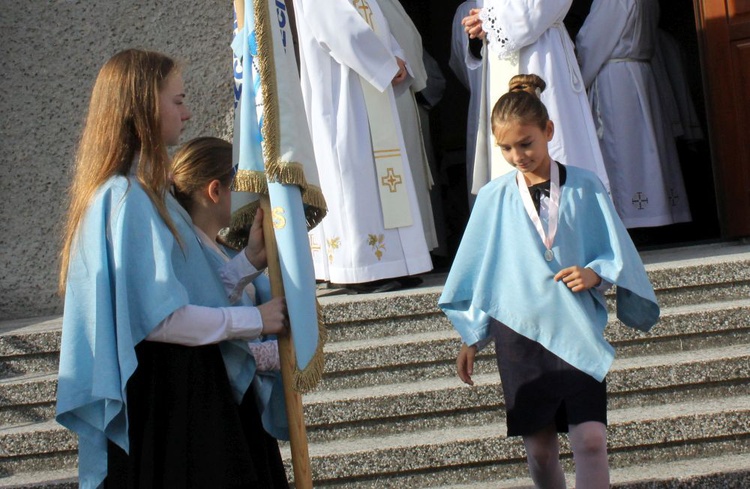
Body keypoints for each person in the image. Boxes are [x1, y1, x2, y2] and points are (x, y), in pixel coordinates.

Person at [56, 49, 289, 488]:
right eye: (177, 100)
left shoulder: (147, 193)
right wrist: (252, 319)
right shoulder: (124, 198)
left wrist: (246, 264)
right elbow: (160, 318)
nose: (187, 112)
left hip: (184, 386)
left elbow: (184, 290)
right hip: (168, 396)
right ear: (143, 105)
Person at [439, 74, 659, 488]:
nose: (518, 155)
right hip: (519, 334)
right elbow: (480, 269)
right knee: (539, 450)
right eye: (505, 148)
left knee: (591, 439)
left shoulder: (585, 185)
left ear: (548, 132)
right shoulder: (493, 197)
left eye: (526, 143)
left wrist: (594, 272)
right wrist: (472, 335)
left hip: (575, 325)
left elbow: (614, 249)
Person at [294, 0, 433, 293]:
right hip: (344, 99)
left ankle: (394, 262)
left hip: (373, 90)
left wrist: (397, 58)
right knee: (354, 176)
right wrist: (384, 63)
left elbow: (380, 24)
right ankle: (360, 266)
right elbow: (339, 29)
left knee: (381, 177)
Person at [461, 0, 610, 196]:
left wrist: (489, 20)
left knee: (555, 145)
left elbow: (541, 7)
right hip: (500, 60)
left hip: (542, 54)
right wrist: (483, 24)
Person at [576, 0, 692, 228]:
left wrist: (576, 82)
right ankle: (658, 213)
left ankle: (632, 219)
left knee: (623, 150)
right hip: (641, 73)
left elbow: (593, 42)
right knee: (648, 149)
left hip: (617, 80)